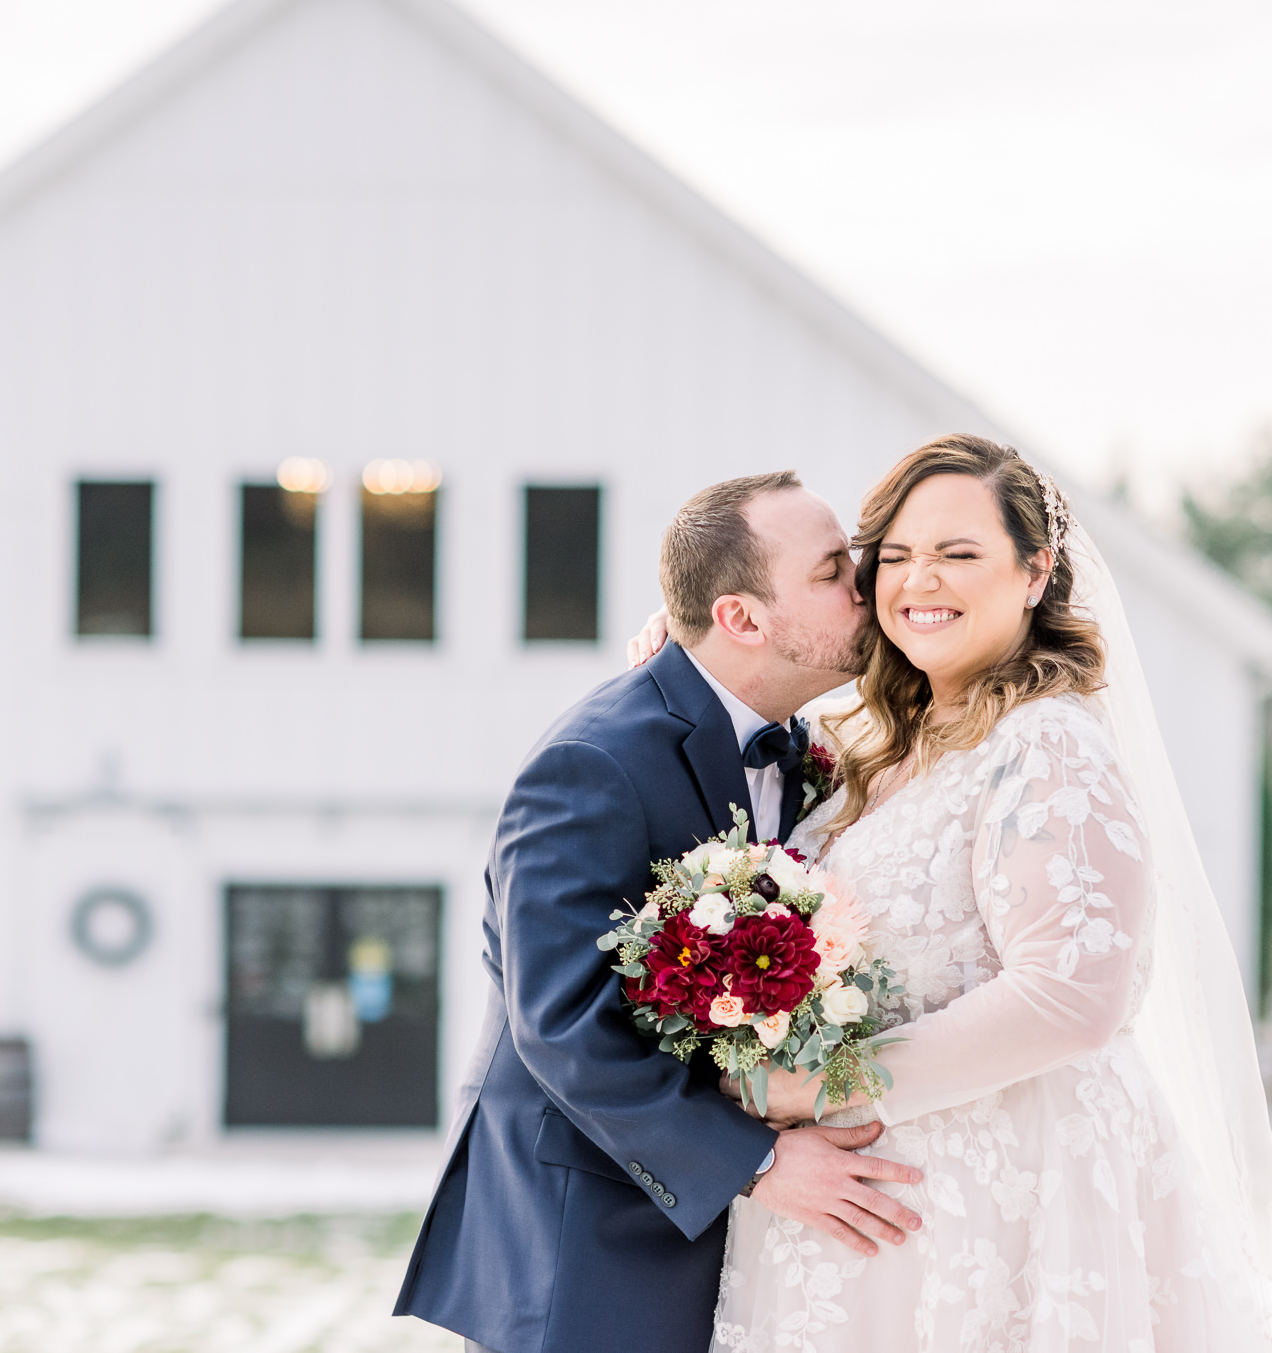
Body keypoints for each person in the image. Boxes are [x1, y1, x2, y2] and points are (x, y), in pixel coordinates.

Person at [635, 435, 1272, 1351]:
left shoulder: (1047, 744)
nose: (917, 581)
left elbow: (1071, 998)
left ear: (1036, 572)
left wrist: (825, 1088)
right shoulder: (880, 746)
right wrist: (689, 657)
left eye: (957, 554)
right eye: (893, 557)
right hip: (878, 1227)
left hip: (1007, 1217)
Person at [395, 470, 927, 1353]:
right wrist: (756, 1164)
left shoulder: (800, 747)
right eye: (835, 570)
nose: (867, 587)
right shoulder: (593, 763)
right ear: (743, 620)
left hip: (736, 1252)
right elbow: (561, 1023)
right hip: (586, 1243)